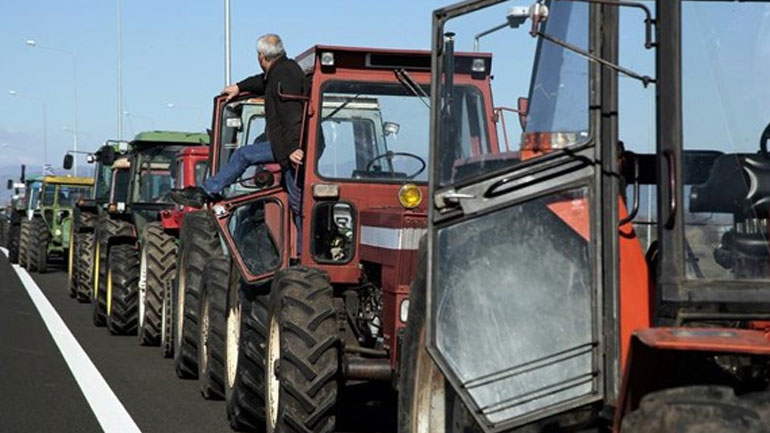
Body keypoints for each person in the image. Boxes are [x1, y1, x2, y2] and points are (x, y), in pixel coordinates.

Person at [170, 33, 308, 247]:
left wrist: (293, 148)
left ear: (261, 56)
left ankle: (303, 253)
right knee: (294, 200)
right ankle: (206, 190)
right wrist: (239, 87)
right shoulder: (281, 71)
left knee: (299, 205)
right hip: (290, 144)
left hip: (294, 147)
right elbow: (262, 82)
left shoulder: (285, 75)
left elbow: (293, 114)